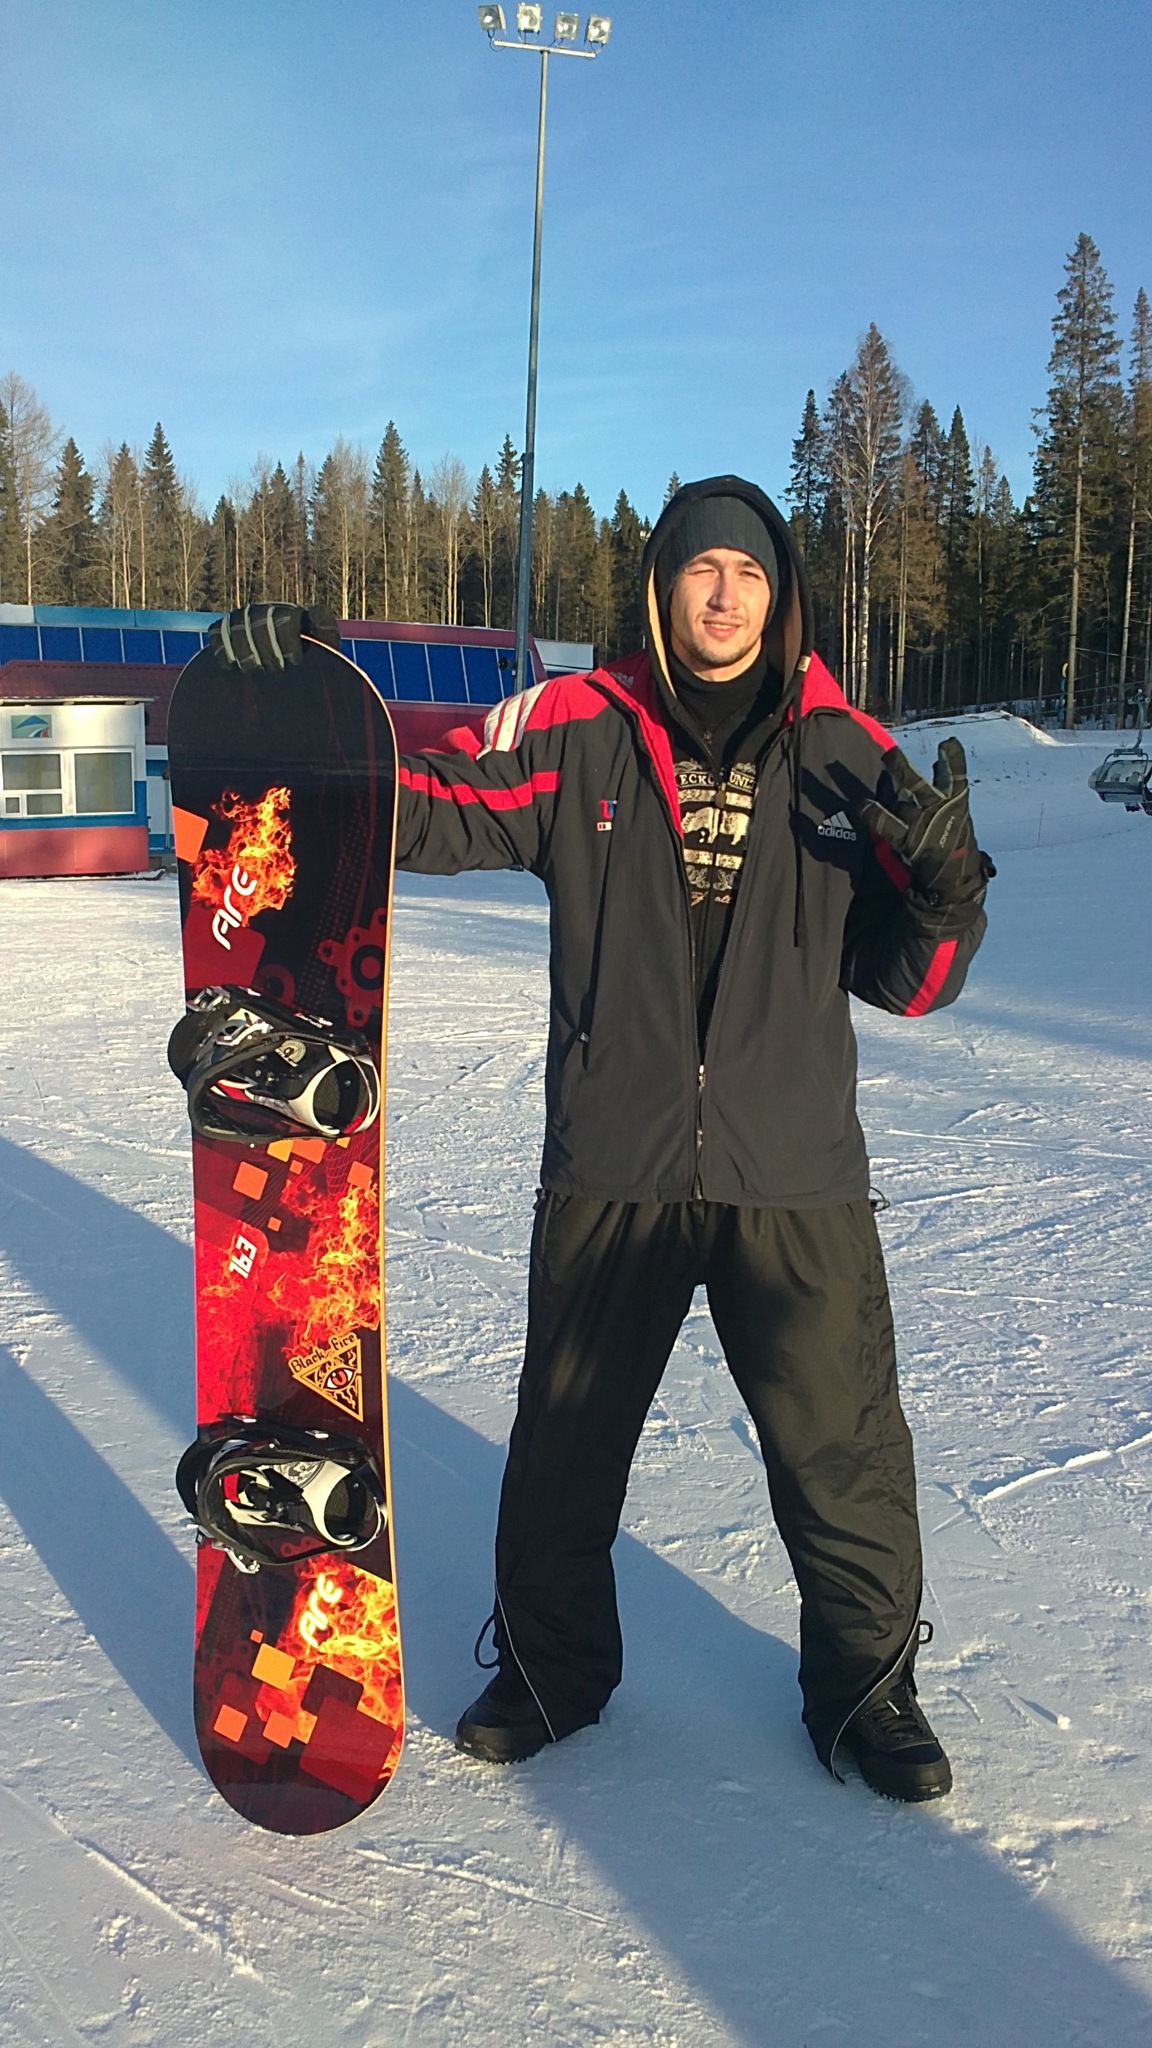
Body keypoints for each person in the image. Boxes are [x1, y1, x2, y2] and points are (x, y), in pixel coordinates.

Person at [210, 474, 991, 1802]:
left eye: (750, 573)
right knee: (566, 1453)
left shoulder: (850, 752)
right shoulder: (579, 725)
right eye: (702, 569)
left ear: (782, 596)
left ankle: (870, 1691)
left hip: (793, 1178)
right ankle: (551, 1670)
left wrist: (944, 890)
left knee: (844, 1453)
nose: (725, 595)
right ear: (664, 586)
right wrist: (309, 704)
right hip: (613, 1161)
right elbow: (428, 803)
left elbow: (912, 984)